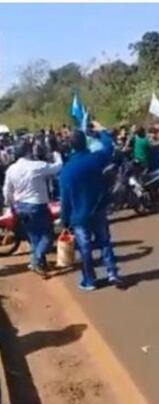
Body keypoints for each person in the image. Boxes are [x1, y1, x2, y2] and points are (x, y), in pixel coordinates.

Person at [59, 122, 123, 291]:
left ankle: (89, 280)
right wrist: (101, 130)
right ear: (85, 143)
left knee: (85, 249)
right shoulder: (96, 159)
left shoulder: (66, 170)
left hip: (79, 217)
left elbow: (65, 199)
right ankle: (112, 273)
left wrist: (64, 221)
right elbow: (109, 145)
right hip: (98, 208)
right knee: (105, 242)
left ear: (70, 146)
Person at [2, 137, 62, 275]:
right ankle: (36, 260)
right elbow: (57, 168)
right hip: (37, 207)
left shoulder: (11, 169)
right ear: (28, 151)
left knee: (33, 237)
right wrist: (57, 155)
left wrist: (11, 205)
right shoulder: (37, 166)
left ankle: (38, 262)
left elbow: (7, 191)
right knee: (47, 235)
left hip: (21, 207)